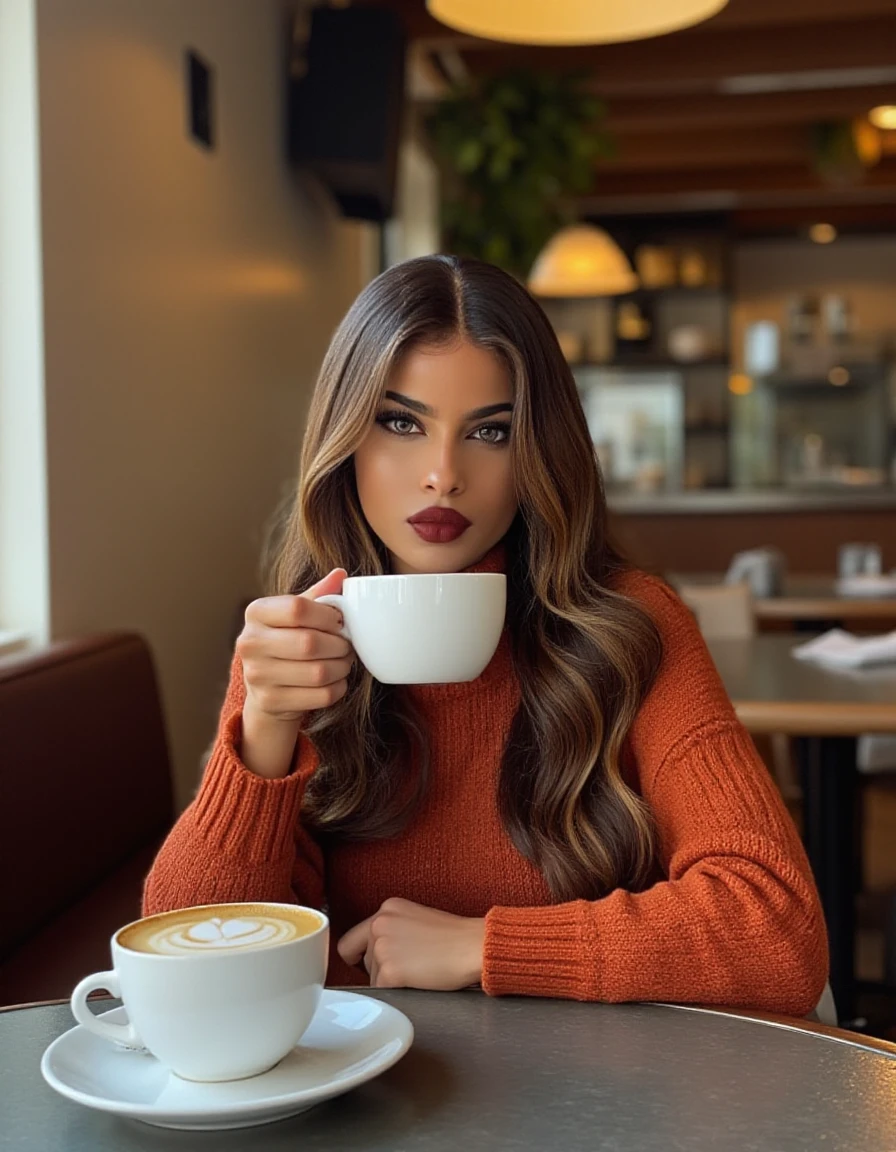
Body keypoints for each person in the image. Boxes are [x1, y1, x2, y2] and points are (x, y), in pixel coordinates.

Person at [144, 255, 828, 1015]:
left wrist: (484, 946)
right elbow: (185, 963)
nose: (443, 475)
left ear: (539, 450)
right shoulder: (297, 642)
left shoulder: (633, 626)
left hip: (595, 1104)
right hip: (362, 1107)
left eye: (491, 432)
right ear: (345, 440)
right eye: (401, 422)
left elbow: (778, 930)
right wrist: (263, 732)